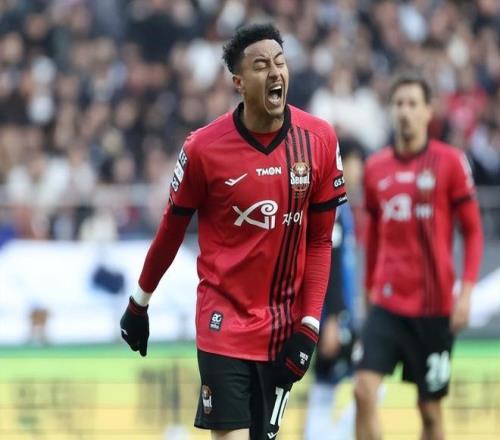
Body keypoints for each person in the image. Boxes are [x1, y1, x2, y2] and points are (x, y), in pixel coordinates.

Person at [119, 23, 347, 440]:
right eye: (261, 66)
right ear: (239, 82)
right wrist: (139, 302)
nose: (275, 72)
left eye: (280, 62)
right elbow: (170, 231)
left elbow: (320, 241)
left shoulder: (319, 141)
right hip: (221, 323)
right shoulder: (203, 148)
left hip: (282, 330)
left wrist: (309, 325)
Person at [353, 73, 483, 440]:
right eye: (398, 103)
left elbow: (473, 231)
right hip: (387, 303)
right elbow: (373, 235)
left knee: (429, 412)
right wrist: (367, 289)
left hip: (434, 307)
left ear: (428, 112)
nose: (405, 111)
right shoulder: (376, 168)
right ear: (391, 110)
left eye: (413, 104)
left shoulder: (450, 162)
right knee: (363, 391)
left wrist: (466, 293)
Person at [304, 141, 364, 440]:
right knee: (364, 383)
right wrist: (331, 318)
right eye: (354, 163)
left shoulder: (344, 207)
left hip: (339, 313)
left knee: (334, 387)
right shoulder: (335, 206)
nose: (358, 170)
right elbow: (329, 263)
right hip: (332, 316)